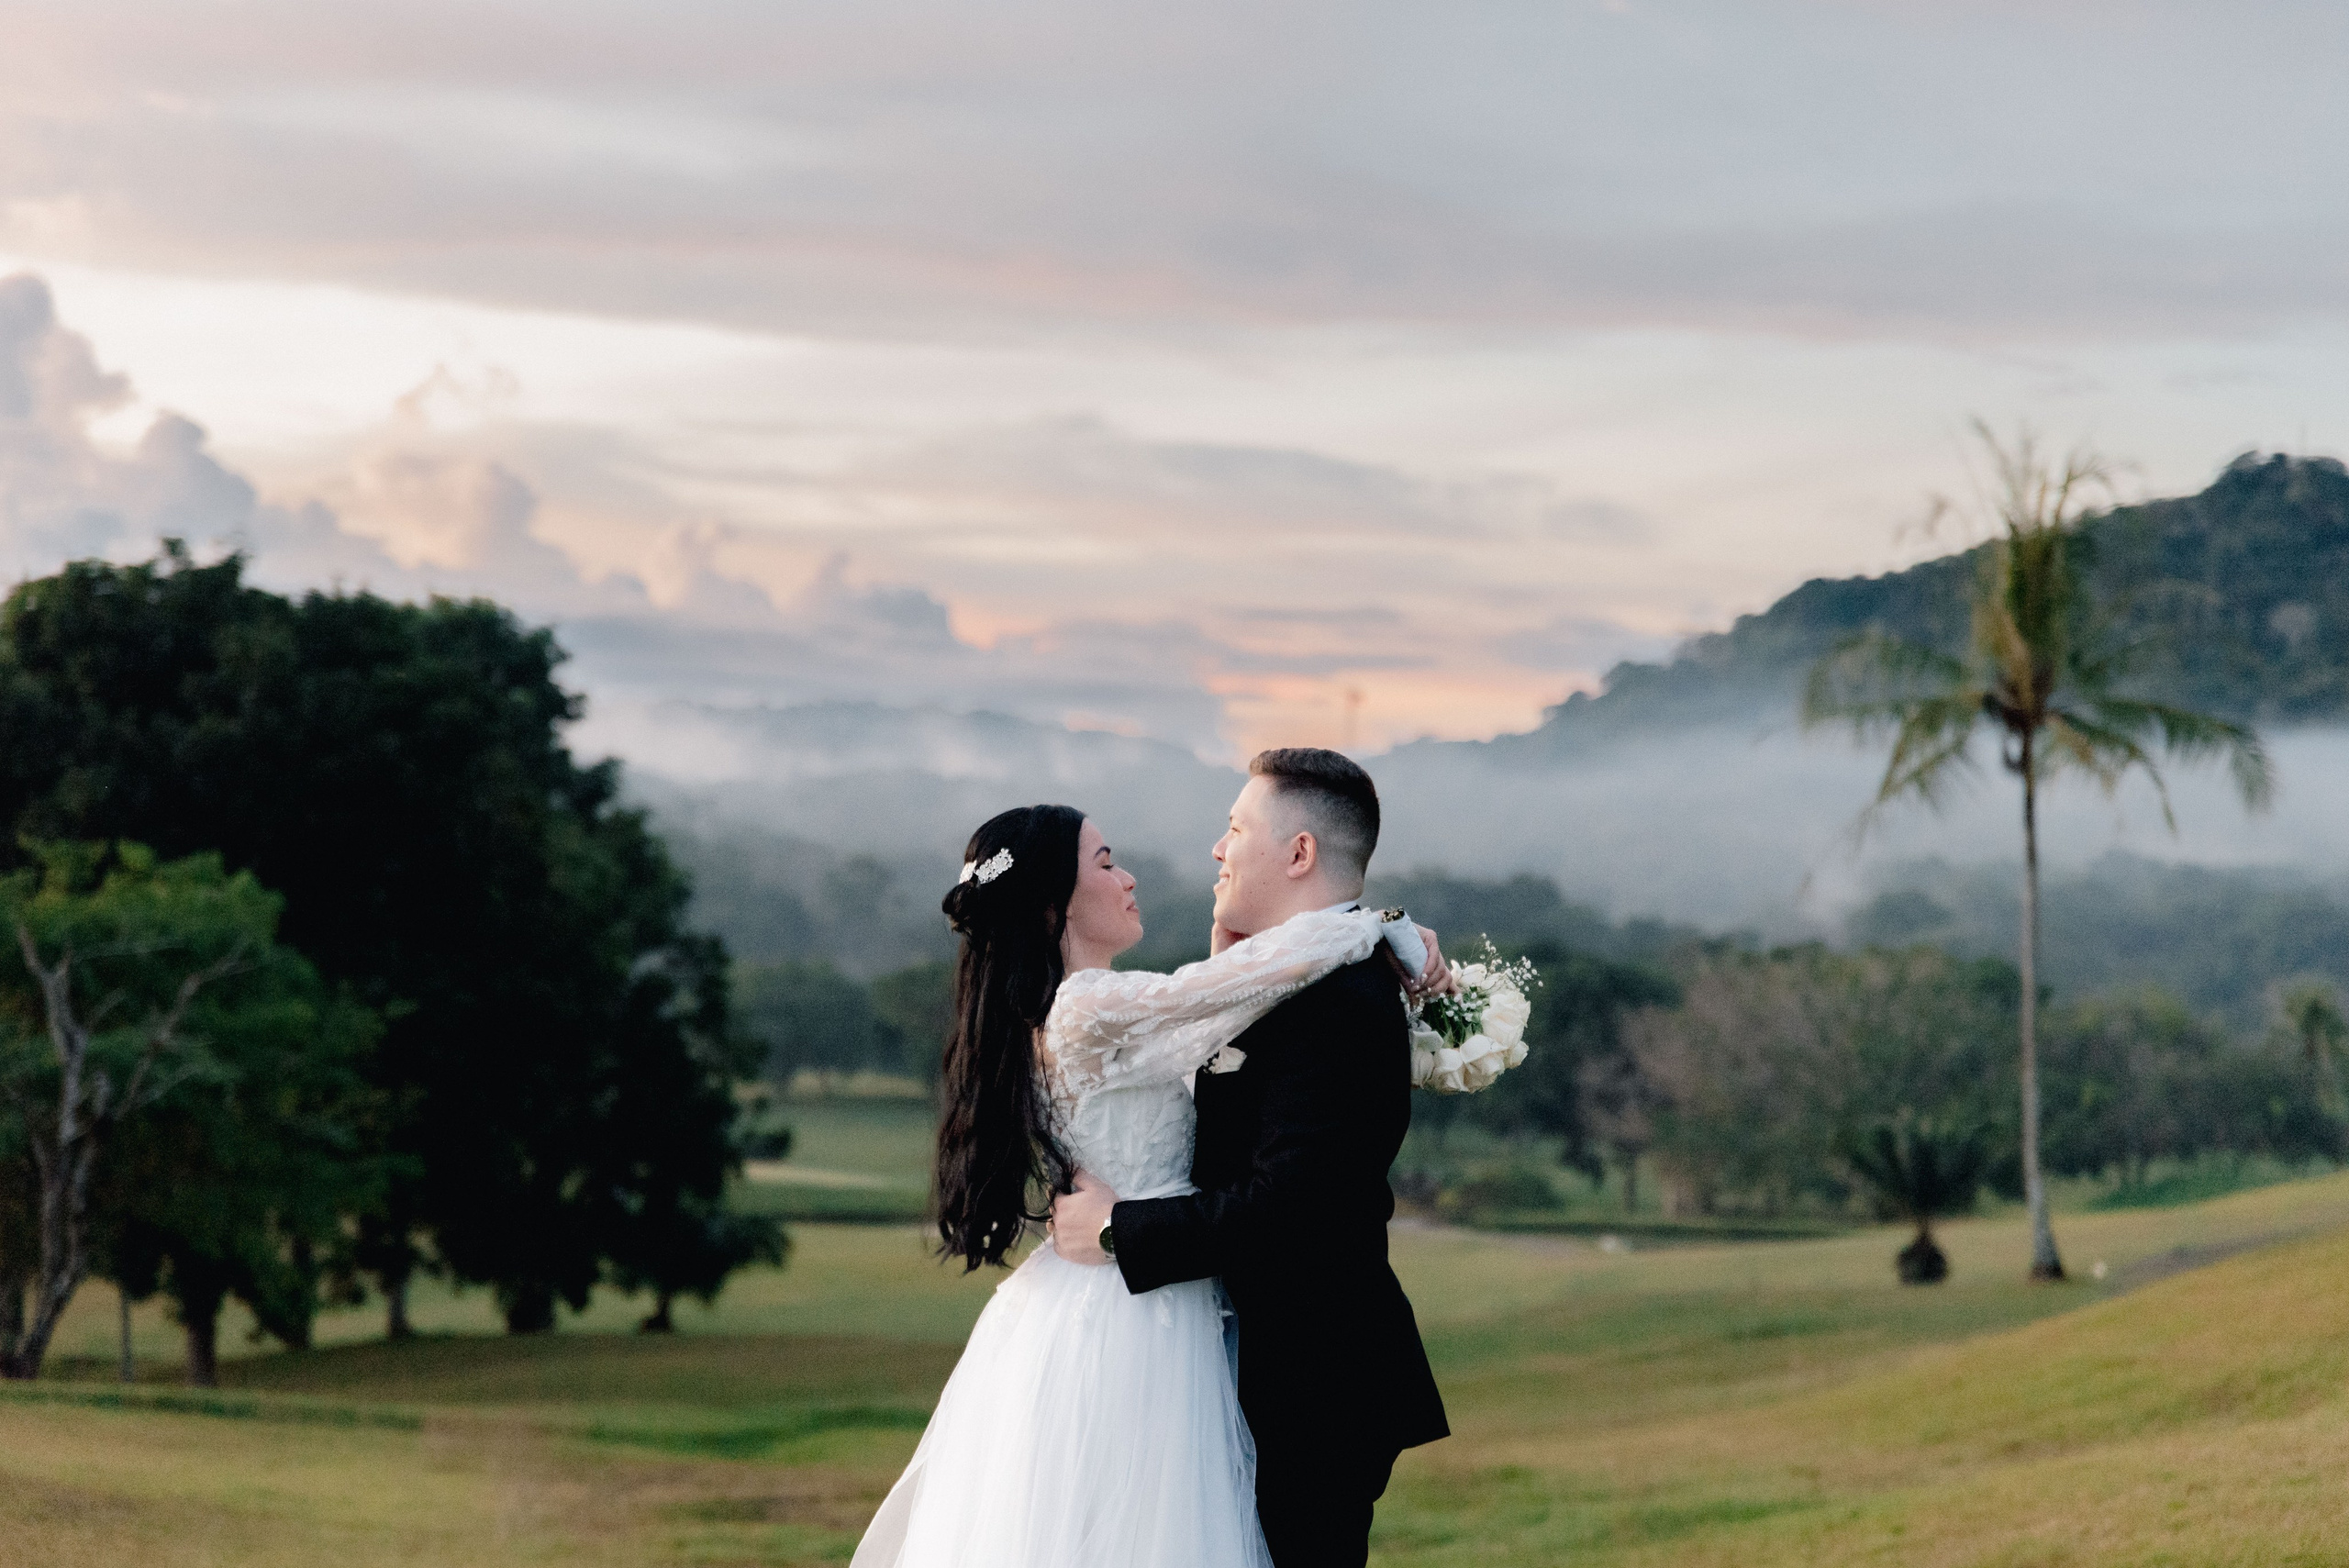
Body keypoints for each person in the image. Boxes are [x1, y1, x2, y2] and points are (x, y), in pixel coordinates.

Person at [849, 798, 1446, 1568]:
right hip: (1136, 1309)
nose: (1128, 877)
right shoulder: (1088, 1006)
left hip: (1118, 1296)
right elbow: (1225, 987)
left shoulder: (1067, 1010)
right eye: (1105, 863)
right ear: (1051, 904)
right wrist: (1374, 925)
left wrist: (1254, 949)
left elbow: (1217, 1013)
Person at [1052, 749, 1451, 1568]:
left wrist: (1119, 1229)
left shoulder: (1336, 1000)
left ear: (1298, 853)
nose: (1216, 848)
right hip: (1255, 1363)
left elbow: (1289, 1206)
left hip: (1314, 1381)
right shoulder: (1287, 978)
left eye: (1235, 828)